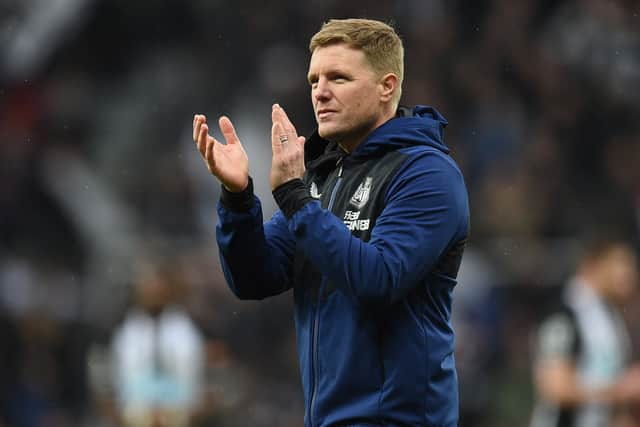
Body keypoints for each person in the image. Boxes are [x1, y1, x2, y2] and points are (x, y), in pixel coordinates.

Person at [193, 18, 469, 427]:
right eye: (314, 80)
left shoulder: (427, 174)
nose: (320, 92)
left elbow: (378, 280)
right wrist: (237, 198)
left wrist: (292, 194)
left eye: (338, 78)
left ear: (387, 87)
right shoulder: (324, 177)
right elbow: (254, 278)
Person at [530, 238, 640, 427]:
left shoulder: (610, 315)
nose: (629, 273)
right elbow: (554, 387)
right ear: (593, 264)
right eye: (621, 263)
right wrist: (621, 390)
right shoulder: (564, 313)